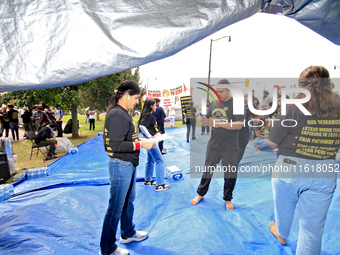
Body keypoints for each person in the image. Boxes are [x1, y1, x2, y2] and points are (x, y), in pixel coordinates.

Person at [267, 66, 340, 254]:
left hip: (290, 168)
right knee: (312, 233)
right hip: (326, 170)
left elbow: (272, 141)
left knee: (283, 210)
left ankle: (281, 234)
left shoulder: (292, 108)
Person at [100, 81, 156, 255]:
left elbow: (126, 137)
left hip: (128, 164)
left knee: (127, 202)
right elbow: (116, 145)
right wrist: (140, 144)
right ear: (126, 95)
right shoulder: (117, 115)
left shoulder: (122, 113)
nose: (137, 102)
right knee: (115, 207)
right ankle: (108, 248)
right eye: (136, 98)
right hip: (120, 165)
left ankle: (127, 233)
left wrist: (143, 141)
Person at [191, 79, 245, 210]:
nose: (218, 94)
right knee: (208, 169)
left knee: (230, 173)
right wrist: (205, 122)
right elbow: (209, 120)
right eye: (217, 91)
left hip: (230, 145)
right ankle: (201, 193)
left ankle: (227, 198)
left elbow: (239, 124)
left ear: (228, 90)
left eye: (221, 91)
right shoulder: (214, 103)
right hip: (214, 143)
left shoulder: (237, 104)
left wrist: (218, 123)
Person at [138, 99, 171, 191]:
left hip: (150, 140)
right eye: (154, 105)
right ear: (151, 106)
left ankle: (148, 180)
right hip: (150, 141)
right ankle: (160, 184)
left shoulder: (147, 114)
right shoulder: (148, 114)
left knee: (150, 160)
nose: (156, 106)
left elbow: (145, 126)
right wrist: (150, 137)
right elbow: (142, 126)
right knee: (159, 160)